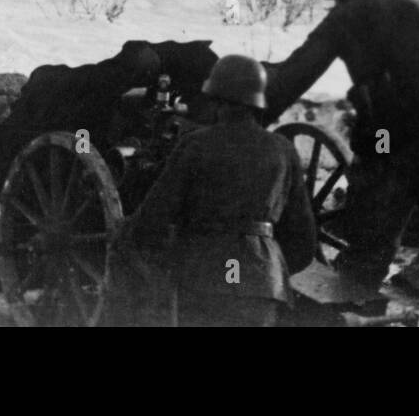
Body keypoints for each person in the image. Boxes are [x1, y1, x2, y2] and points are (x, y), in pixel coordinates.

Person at [262, 0, 419, 291]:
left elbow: (297, 74)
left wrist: (256, 116)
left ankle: (353, 296)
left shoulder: (347, 15)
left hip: (389, 129)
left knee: (372, 216)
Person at [114, 55, 317, 327]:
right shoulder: (283, 150)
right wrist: (263, 272)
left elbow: (153, 219)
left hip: (202, 281)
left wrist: (130, 238)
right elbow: (303, 240)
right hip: (263, 287)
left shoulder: (195, 144)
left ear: (216, 99)